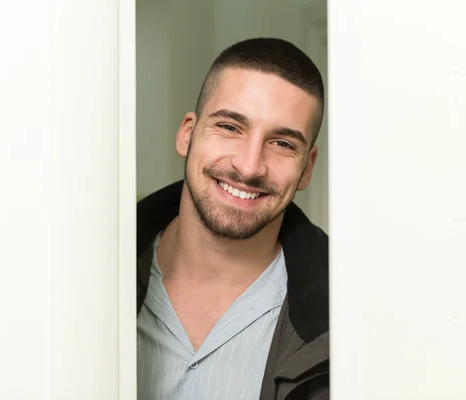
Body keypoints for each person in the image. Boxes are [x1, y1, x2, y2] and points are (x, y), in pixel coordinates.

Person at [137, 37, 328, 399]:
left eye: (283, 143)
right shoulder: (91, 275)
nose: (249, 166)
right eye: (229, 127)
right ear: (187, 133)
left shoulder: (346, 318)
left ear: (307, 169)